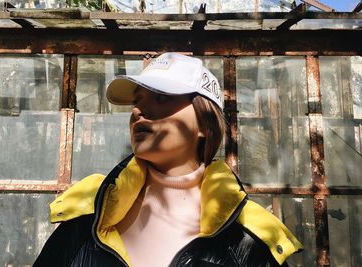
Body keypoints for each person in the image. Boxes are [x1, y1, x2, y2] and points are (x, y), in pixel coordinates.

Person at [34, 53, 303, 267]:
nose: (139, 110)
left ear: (206, 125)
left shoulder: (247, 235)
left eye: (161, 97)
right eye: (136, 102)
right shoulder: (91, 210)